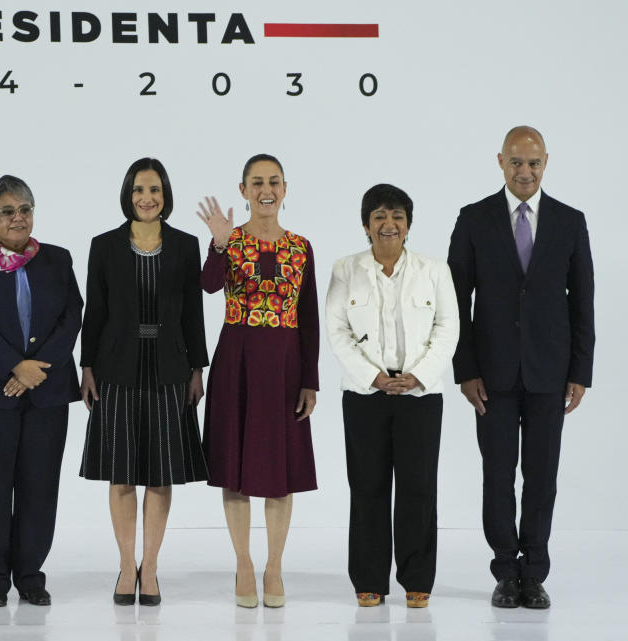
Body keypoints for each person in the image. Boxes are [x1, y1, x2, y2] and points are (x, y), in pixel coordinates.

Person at [447, 126, 595, 609]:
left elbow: (583, 304)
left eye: (533, 163)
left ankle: (535, 572)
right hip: (491, 374)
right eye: (515, 162)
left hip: (551, 373)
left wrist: (581, 371)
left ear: (546, 162)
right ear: (500, 162)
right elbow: (455, 301)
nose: (524, 171)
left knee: (542, 474)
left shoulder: (571, 222)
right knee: (497, 473)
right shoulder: (473, 219)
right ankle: (505, 570)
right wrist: (466, 369)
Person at [79, 158, 209, 606]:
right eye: (138, 189)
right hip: (116, 369)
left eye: (154, 189)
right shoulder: (105, 245)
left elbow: (194, 311)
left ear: (165, 194)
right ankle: (124, 565)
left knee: (159, 475)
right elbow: (94, 312)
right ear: (127, 194)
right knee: (121, 477)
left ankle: (149, 568)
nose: (146, 198)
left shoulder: (186, 245)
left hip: (170, 370)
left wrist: (198, 367)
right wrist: (87, 367)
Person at [0, 175, 82, 607]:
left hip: (48, 391)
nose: (18, 218)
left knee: (39, 488)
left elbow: (72, 316)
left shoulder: (58, 259)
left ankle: (29, 575)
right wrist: (14, 366)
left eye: (25, 209)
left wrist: (36, 371)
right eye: (8, 211)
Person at [325, 184, 458, 608]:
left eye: (397, 216)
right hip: (365, 395)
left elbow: (447, 328)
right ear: (366, 225)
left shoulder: (434, 271)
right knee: (368, 486)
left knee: (419, 487)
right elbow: (337, 330)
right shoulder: (345, 269)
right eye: (380, 215)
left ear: (408, 224)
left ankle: (417, 578)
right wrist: (373, 377)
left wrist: (417, 375)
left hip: (420, 395)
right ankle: (369, 579)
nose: (389, 224)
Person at [196, 154, 319, 608]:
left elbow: (309, 318)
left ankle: (274, 566)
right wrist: (219, 244)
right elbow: (208, 286)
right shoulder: (231, 240)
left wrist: (311, 379)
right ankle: (244, 563)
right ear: (243, 190)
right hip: (237, 360)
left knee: (280, 473)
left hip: (286, 365)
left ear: (285, 188)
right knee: (235, 471)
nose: (265, 190)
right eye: (256, 182)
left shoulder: (302, 246)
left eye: (273, 182)